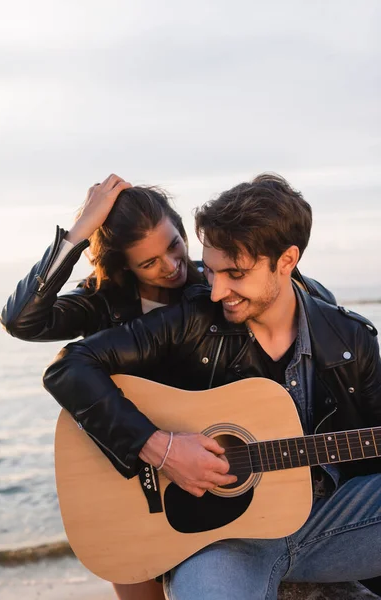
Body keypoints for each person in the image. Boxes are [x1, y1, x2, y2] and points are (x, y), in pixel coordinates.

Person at [42, 173, 381, 599]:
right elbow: (70, 366)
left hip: (332, 522)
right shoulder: (195, 320)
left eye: (234, 274)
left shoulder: (349, 340)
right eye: (214, 270)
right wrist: (160, 446)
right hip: (221, 541)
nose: (216, 290)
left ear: (287, 260)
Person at [0, 173, 204, 600]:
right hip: (128, 474)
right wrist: (78, 233)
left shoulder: (215, 289)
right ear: (124, 266)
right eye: (148, 262)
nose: (170, 265)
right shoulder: (103, 301)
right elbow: (22, 320)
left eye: (173, 245)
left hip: (200, 468)